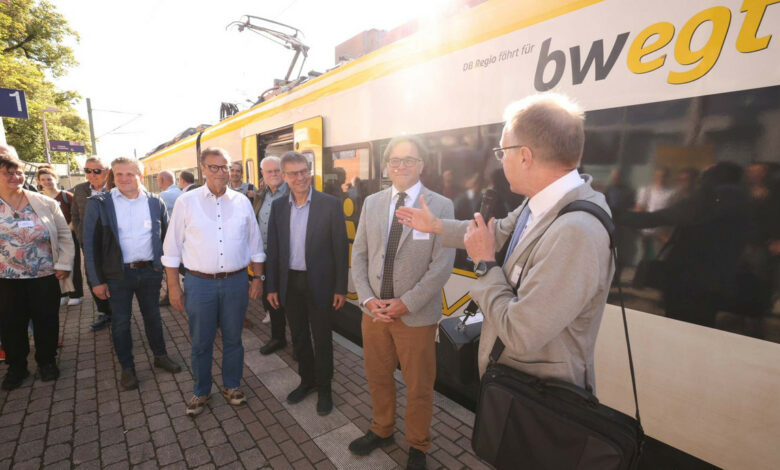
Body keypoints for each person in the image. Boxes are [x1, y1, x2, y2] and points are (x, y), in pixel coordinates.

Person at [398, 94, 614, 394]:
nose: (501, 161)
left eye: (503, 152)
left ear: (525, 156)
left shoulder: (576, 231)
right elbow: (494, 232)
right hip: (517, 388)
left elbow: (520, 333)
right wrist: (435, 226)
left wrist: (486, 265)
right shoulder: (538, 203)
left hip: (539, 401)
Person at [349, 136, 455, 470]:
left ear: (422, 164)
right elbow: (360, 254)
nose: (401, 166)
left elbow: (442, 267)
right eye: (395, 160)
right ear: (387, 166)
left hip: (416, 316)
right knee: (378, 376)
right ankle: (381, 429)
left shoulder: (440, 206)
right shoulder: (373, 202)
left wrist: (405, 303)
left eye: (409, 159)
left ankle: (418, 445)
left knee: (419, 386)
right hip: (375, 313)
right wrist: (367, 298)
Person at [163, 147, 265, 416]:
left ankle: (232, 385)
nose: (222, 172)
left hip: (236, 281)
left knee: (233, 339)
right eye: (215, 167)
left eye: (226, 167)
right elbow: (171, 250)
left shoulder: (242, 202)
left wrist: (259, 279)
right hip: (200, 284)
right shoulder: (187, 202)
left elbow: (255, 244)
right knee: (201, 342)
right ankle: (201, 391)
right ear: (203, 169)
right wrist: (173, 287)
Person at [83, 157, 182, 390]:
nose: (125, 179)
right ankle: (127, 368)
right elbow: (90, 246)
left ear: (140, 175)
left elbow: (167, 238)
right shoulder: (99, 203)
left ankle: (160, 356)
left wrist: (169, 274)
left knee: (153, 317)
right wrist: (96, 281)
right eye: (119, 174)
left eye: (130, 174)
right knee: (120, 323)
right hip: (117, 275)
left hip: (150, 272)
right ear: (112, 176)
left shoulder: (154, 202)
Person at [266, 151, 348, 416]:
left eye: (304, 171)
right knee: (299, 337)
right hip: (291, 282)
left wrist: (340, 288)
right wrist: (272, 287)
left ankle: (325, 388)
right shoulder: (279, 207)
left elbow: (340, 249)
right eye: (293, 173)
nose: (300, 177)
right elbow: (274, 250)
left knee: (322, 338)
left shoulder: (330, 204)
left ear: (309, 171)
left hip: (320, 284)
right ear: (284, 177)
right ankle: (307, 381)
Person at [0, 151, 74, 390]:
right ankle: (17, 366)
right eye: (8, 173)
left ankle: (46, 362)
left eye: (19, 172)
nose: (16, 176)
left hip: (44, 275)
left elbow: (64, 236)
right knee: (10, 324)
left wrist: (63, 263)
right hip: (6, 279)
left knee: (46, 320)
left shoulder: (45, 203)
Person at [71, 156, 113, 330]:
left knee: (112, 277)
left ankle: (118, 311)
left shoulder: (115, 188)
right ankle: (104, 312)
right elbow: (75, 215)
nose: (92, 174)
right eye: (87, 170)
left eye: (97, 171)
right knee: (92, 278)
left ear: (107, 172)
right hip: (88, 244)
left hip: (110, 244)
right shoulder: (80, 189)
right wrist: (81, 236)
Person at [254, 156, 290, 349]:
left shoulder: (292, 193)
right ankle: (278, 337)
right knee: (271, 298)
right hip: (266, 258)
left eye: (277, 170)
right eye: (270, 171)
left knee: (291, 302)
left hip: (287, 259)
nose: (274, 174)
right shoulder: (261, 195)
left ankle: (300, 344)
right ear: (263, 174)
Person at [36, 165, 83, 306]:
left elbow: (76, 216)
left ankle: (76, 293)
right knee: (55, 265)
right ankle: (63, 293)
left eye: (49, 179)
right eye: (43, 179)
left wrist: (66, 231)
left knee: (72, 264)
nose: (47, 182)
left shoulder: (66, 196)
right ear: (38, 181)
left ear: (55, 179)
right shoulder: (38, 199)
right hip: (50, 239)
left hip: (69, 236)